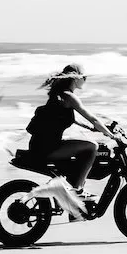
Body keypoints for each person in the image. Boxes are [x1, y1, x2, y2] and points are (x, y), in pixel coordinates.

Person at [24, 63, 118, 212]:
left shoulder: (60, 95)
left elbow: (74, 119)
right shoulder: (69, 96)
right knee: (92, 146)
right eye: (84, 77)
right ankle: (77, 190)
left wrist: (98, 128)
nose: (85, 80)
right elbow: (92, 118)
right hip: (48, 147)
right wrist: (112, 135)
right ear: (76, 79)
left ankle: (71, 194)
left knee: (83, 145)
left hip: (41, 144)